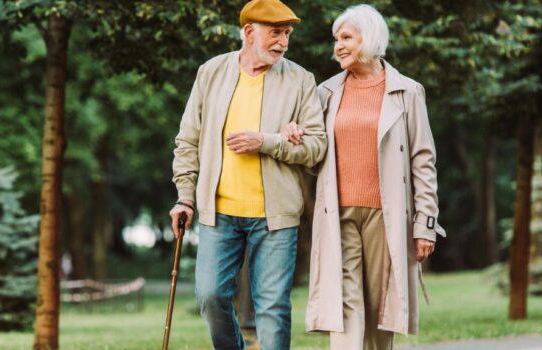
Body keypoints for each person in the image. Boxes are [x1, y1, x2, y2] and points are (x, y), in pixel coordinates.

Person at [282, 4, 446, 350]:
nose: (337, 46)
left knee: (378, 307)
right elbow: (314, 155)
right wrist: (297, 133)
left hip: (386, 215)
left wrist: (425, 224)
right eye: (335, 39)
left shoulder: (408, 92)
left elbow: (423, 160)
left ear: (369, 39)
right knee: (343, 303)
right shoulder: (325, 92)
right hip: (338, 213)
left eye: (346, 38)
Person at [169, 0, 327, 348]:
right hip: (218, 213)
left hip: (276, 217)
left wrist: (268, 142)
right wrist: (185, 196)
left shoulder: (301, 80)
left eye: (287, 34)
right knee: (210, 297)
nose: (283, 42)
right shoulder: (211, 72)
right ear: (249, 32)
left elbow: (317, 147)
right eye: (275, 33)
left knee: (272, 307)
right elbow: (187, 140)